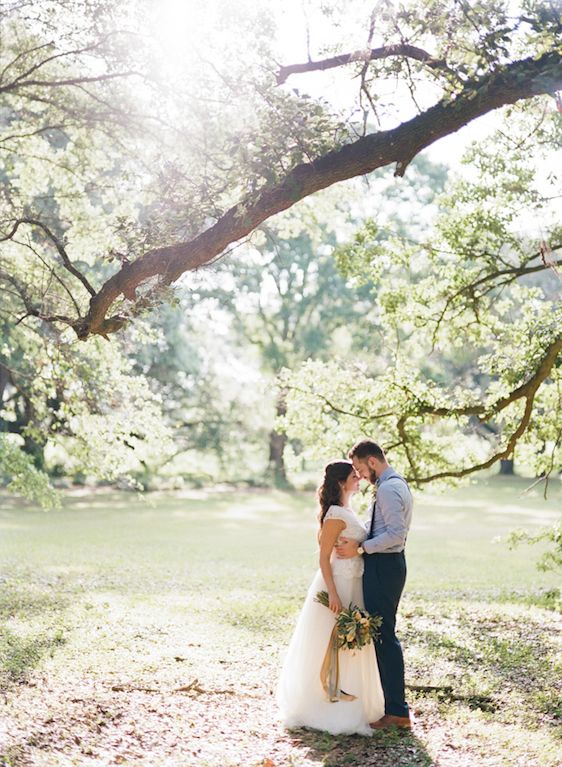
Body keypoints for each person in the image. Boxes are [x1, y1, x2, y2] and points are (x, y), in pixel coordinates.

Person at [277, 460, 384, 735]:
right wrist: (334, 595)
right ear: (341, 482)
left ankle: (353, 699)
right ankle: (326, 704)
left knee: (350, 645)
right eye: (353, 476)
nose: (359, 478)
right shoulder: (336, 514)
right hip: (337, 584)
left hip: (353, 582)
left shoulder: (346, 510)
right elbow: (324, 558)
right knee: (331, 643)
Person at [336, 440, 413, 729]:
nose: (360, 475)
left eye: (359, 468)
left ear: (371, 461)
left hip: (385, 566)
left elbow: (395, 534)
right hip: (385, 565)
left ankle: (397, 711)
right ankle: (393, 706)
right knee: (383, 635)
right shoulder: (391, 484)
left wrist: (360, 548)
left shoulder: (390, 488)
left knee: (385, 637)